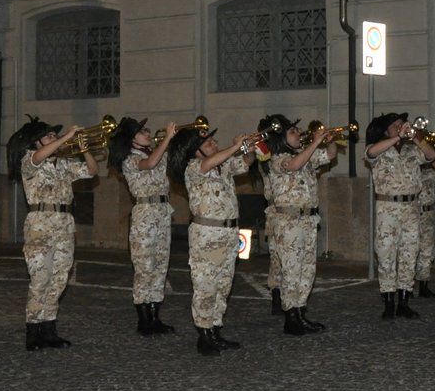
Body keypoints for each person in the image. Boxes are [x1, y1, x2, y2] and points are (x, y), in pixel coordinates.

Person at [7, 117, 97, 351]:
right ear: (35, 142)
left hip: (65, 224)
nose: (54, 139)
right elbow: (38, 157)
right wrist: (67, 136)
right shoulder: (29, 160)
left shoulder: (64, 164)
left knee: (59, 279)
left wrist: (84, 148)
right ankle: (33, 331)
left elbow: (92, 171)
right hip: (40, 224)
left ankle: (49, 329)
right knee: (40, 279)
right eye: (48, 136)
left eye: (54, 136)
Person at [169, 123, 255, 354]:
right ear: (196, 151)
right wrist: (234, 145)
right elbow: (209, 163)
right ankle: (204, 334)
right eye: (208, 143)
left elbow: (247, 163)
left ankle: (216, 329)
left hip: (229, 233)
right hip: (207, 235)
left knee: (224, 284)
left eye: (214, 141)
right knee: (205, 284)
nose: (214, 144)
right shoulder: (194, 167)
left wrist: (248, 148)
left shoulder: (222, 165)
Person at [262, 116, 339, 335]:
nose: (299, 134)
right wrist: (315, 142)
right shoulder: (277, 159)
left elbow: (331, 155)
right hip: (288, 222)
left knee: (307, 270)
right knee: (292, 270)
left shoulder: (306, 156)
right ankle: (291, 317)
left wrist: (329, 141)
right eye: (293, 131)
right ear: (282, 138)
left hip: (307, 220)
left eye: (298, 130)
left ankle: (301, 313)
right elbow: (294, 165)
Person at [108, 116, 178, 336]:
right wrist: (167, 138)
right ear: (132, 139)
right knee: (144, 268)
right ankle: (143, 320)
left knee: (160, 266)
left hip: (163, 213)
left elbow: (167, 161)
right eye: (142, 132)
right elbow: (149, 164)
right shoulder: (130, 159)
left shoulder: (155, 152)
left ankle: (155, 317)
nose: (148, 134)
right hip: (145, 215)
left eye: (148, 130)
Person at [365, 112, 435, 319]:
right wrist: (397, 137)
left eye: (401, 124)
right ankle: (388, 302)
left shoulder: (412, 150)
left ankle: (404, 302)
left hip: (411, 208)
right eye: (395, 125)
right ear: (386, 130)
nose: (400, 127)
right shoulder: (378, 149)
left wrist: (415, 136)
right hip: (387, 208)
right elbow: (370, 153)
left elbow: (431, 156)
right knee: (386, 255)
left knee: (409, 254)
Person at [414, 143, 435, 298]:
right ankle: (405, 288)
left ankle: (423, 286)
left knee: (427, 252)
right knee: (409, 251)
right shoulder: (411, 170)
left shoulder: (429, 173)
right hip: (411, 214)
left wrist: (433, 161)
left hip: (427, 215)